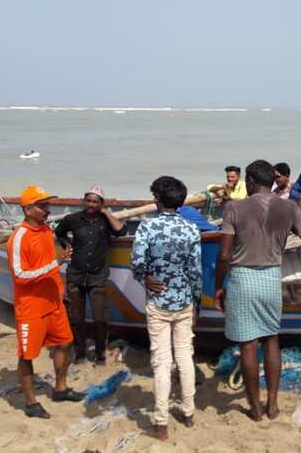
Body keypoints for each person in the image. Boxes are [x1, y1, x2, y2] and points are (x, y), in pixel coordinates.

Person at [214, 160, 301, 421]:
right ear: (271, 181)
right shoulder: (289, 207)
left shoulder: (233, 208)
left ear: (249, 181)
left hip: (243, 279)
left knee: (248, 346)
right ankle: (272, 405)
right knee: (271, 341)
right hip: (272, 278)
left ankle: (255, 409)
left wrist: (218, 287)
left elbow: (224, 255)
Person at [131, 176, 202, 440]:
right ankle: (188, 413)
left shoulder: (146, 228)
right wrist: (196, 302)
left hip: (158, 302)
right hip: (183, 301)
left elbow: (137, 263)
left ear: (156, 200)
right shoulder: (191, 229)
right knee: (185, 357)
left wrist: (145, 277)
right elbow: (195, 271)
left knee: (161, 362)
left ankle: (161, 423)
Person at [7, 185, 84, 419]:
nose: (47, 210)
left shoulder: (47, 231)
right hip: (31, 308)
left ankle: (60, 389)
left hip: (54, 303)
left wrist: (59, 282)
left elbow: (52, 260)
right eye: (42, 206)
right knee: (27, 355)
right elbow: (20, 276)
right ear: (28, 209)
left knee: (65, 343)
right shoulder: (18, 238)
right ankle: (31, 404)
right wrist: (55, 265)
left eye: (47, 205)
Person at [54, 186, 126, 364]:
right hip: (76, 275)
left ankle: (100, 355)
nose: (91, 205)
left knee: (100, 319)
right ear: (83, 201)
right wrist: (67, 244)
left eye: (95, 202)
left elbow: (121, 231)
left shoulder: (105, 220)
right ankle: (80, 354)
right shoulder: (72, 219)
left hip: (97, 276)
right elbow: (58, 232)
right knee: (76, 319)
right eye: (88, 201)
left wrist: (107, 213)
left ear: (101, 203)